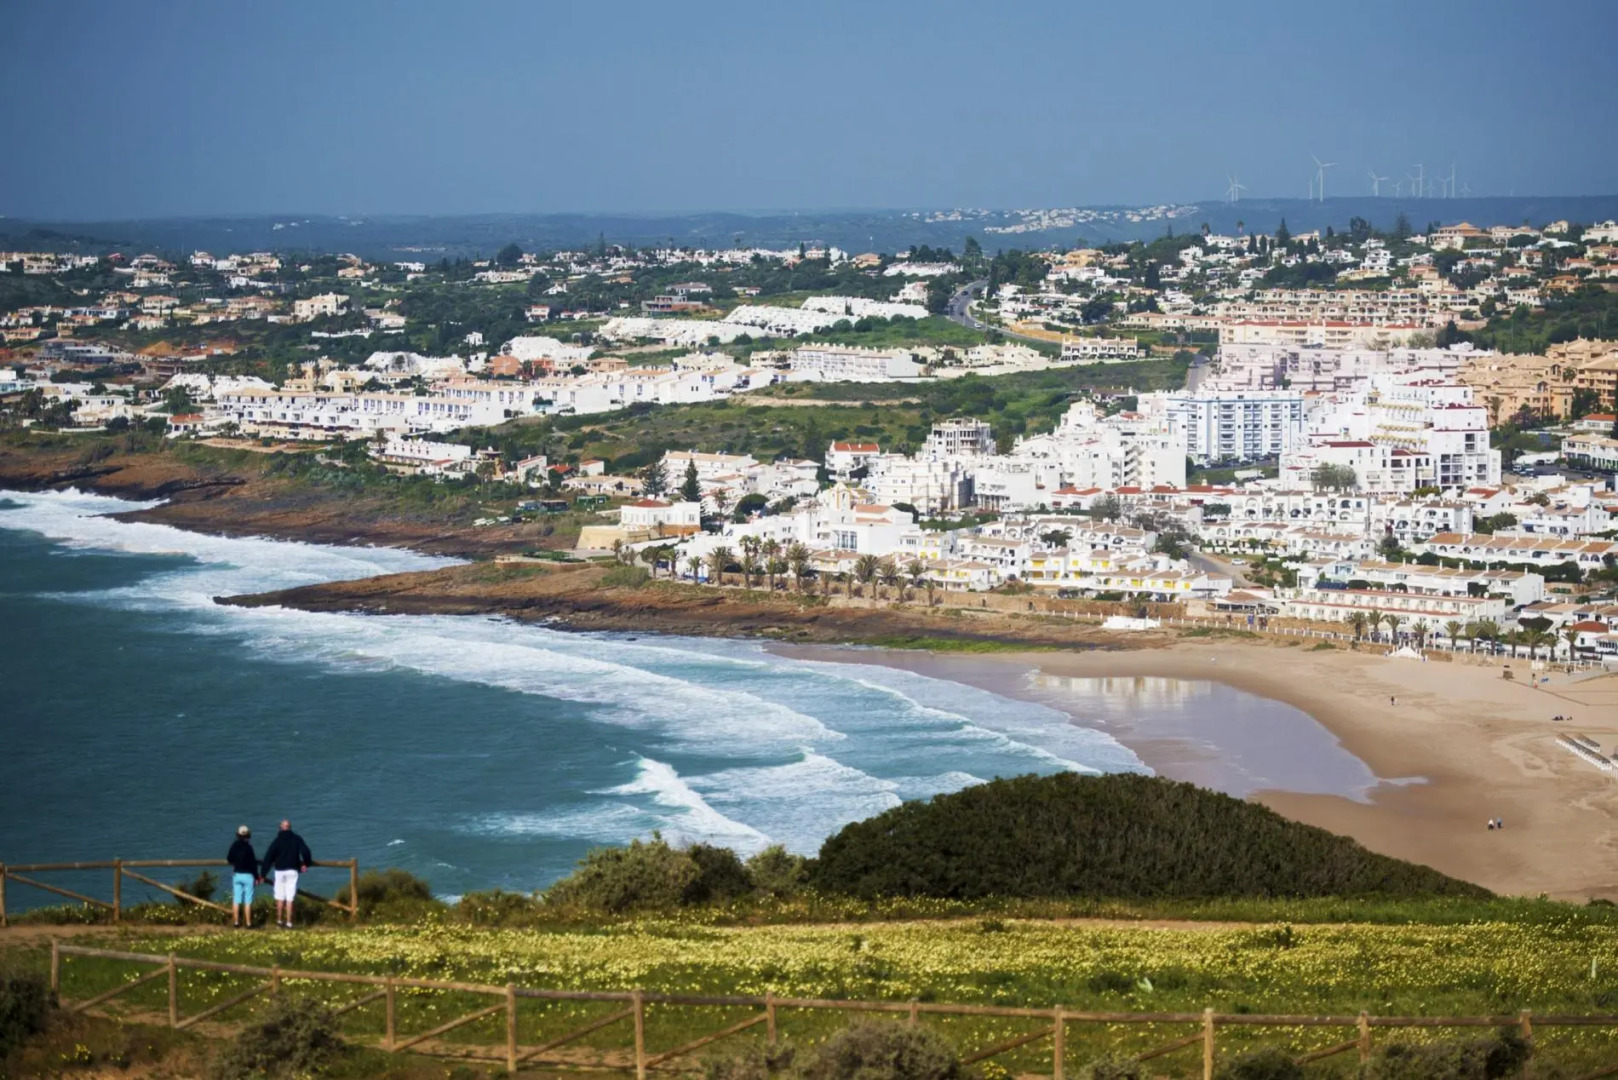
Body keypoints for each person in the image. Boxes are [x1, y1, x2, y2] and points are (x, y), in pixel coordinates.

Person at [260, 819, 312, 929]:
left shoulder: (277, 841)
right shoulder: (296, 839)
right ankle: (289, 923)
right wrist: (305, 863)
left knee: (279, 897)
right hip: (292, 870)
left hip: (279, 871)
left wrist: (263, 874)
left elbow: (268, 858)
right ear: (290, 827)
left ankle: (279, 921)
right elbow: (306, 852)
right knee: (290, 898)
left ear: (280, 828)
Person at [227, 826, 260, 929]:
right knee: (248, 900)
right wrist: (257, 876)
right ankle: (249, 923)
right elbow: (253, 864)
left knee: (236, 899)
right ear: (248, 836)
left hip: (237, 874)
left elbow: (229, 858)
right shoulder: (249, 848)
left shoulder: (234, 845)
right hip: (248, 875)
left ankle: (236, 922)